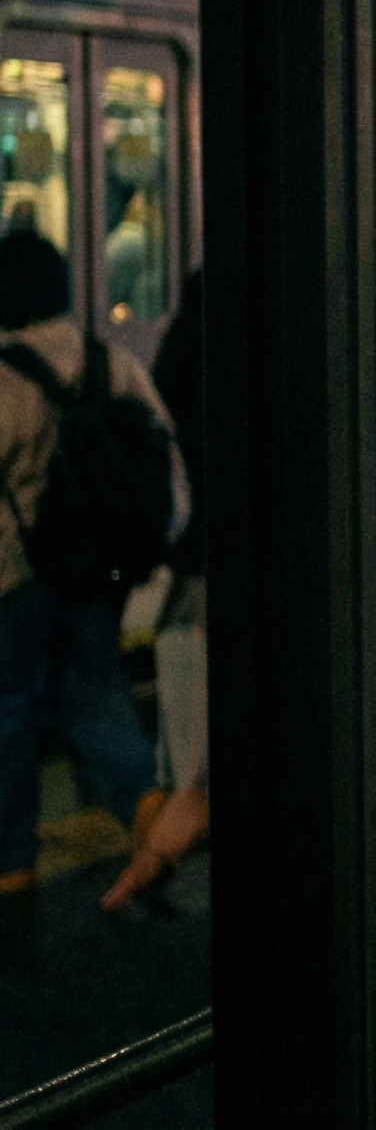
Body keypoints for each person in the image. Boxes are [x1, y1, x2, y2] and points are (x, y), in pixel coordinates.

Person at [0, 231, 171, 907]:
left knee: (10, 710)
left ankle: (12, 866)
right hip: (94, 574)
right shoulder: (109, 363)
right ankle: (149, 806)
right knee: (95, 693)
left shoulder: (5, 375)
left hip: (14, 580)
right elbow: (166, 465)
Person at [105, 269, 204, 910]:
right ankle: (160, 840)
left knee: (194, 751)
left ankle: (157, 842)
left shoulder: (185, 340)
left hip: (195, 568)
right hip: (215, 566)